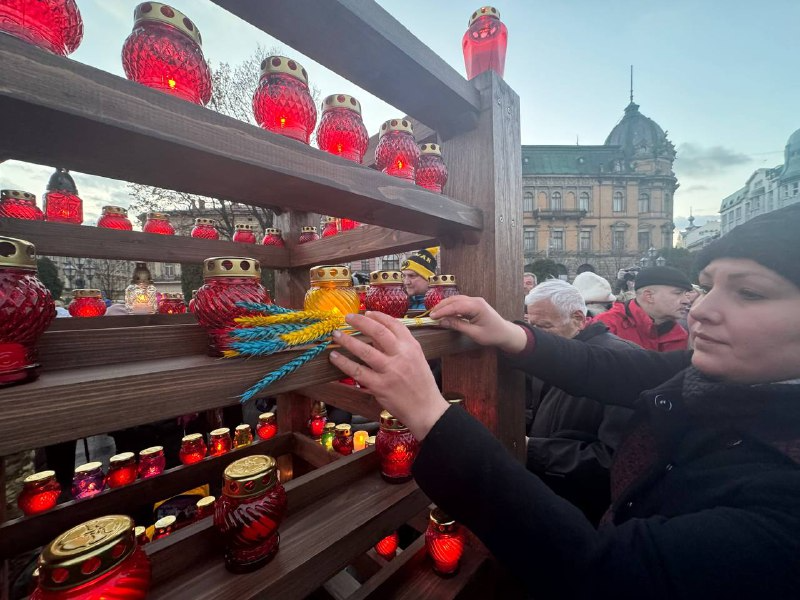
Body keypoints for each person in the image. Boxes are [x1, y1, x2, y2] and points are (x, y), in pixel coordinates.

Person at [328, 203, 800, 598]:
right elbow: (620, 368)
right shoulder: (726, 381)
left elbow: (599, 573)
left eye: (750, 292)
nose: (699, 310)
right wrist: (513, 334)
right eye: (707, 285)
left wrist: (431, 415)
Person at [522, 280, 637, 523]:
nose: (534, 335)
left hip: (589, 513)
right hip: (549, 497)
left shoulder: (622, 364)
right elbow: (540, 413)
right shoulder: (549, 356)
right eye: (530, 325)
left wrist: (530, 448)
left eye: (543, 326)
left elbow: (615, 460)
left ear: (578, 319)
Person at [596, 265, 692, 351]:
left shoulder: (681, 334)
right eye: (678, 293)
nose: (686, 301)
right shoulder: (605, 325)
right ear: (649, 296)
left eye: (686, 294)